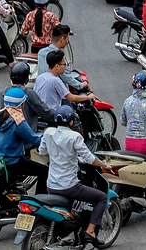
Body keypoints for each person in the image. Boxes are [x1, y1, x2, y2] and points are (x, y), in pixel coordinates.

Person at [39, 106, 114, 248]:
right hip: (69, 186)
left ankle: (70, 236)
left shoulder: (48, 133)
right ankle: (90, 232)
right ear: (72, 122)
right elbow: (89, 158)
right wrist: (104, 165)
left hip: (51, 185)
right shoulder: (75, 137)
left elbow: (42, 151)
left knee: (71, 210)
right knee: (101, 198)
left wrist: (58, 154)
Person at [0, 86, 48, 192]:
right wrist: (46, 136)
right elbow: (33, 138)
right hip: (12, 161)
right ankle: (39, 202)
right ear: (21, 104)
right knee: (44, 171)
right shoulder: (18, 121)